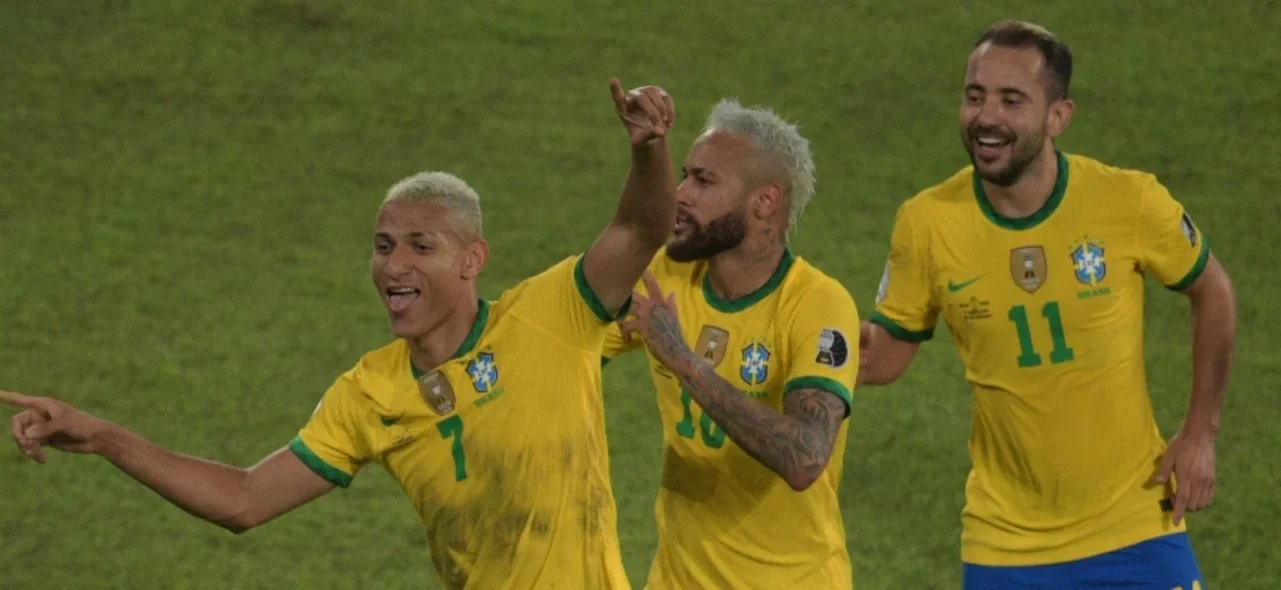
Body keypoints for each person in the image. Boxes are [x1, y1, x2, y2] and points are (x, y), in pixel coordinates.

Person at [2, 78, 679, 590]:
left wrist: (649, 151)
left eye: (421, 245)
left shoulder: (550, 313)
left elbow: (639, 230)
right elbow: (243, 500)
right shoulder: (368, 395)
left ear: (472, 261)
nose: (394, 265)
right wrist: (102, 436)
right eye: (383, 245)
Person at [859, 20, 1236, 589]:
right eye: (974, 96)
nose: (987, 117)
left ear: (1058, 116)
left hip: (1136, 525)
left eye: (1012, 100)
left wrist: (1200, 431)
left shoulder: (1127, 201)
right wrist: (820, 345)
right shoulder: (927, 222)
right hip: (1007, 546)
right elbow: (886, 355)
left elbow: (1213, 290)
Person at [602, 99, 859, 589]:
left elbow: (805, 458)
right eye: (683, 176)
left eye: (703, 181)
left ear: (764, 202)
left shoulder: (818, 304)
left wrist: (683, 360)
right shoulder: (666, 275)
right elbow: (571, 338)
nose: (680, 194)